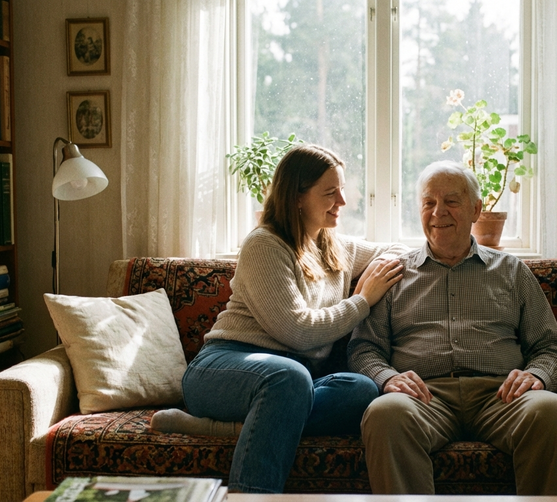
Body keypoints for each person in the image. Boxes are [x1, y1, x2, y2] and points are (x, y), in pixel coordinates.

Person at [151, 144, 407, 494]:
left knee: (362, 390)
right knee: (289, 378)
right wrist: (363, 299)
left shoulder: (334, 246)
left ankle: (231, 427)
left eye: (342, 190)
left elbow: (399, 251)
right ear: (297, 197)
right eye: (330, 192)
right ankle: (250, 498)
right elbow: (298, 332)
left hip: (290, 381)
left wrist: (376, 272)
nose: (343, 202)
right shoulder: (265, 245)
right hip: (224, 366)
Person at [348, 160, 557, 496]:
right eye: (429, 202)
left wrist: (539, 376)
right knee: (385, 414)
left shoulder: (512, 271)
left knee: (555, 412)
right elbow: (363, 348)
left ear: (476, 209)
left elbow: (550, 346)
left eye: (451, 202)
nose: (438, 212)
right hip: (423, 398)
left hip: (501, 396)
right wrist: (388, 378)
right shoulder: (393, 275)